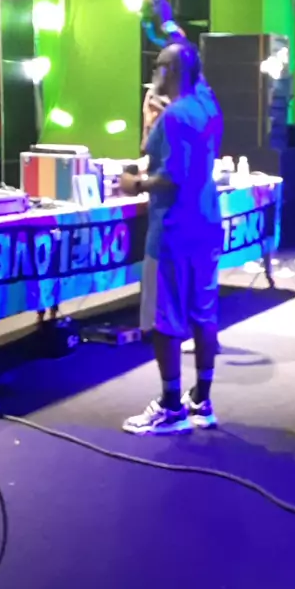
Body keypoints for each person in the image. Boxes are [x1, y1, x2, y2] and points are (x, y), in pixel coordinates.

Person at [120, 40, 224, 435]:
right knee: (204, 314)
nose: (153, 76)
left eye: (158, 67)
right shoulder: (207, 105)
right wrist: (165, 19)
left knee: (165, 319)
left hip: (173, 230)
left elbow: (171, 175)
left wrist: (136, 184)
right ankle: (202, 400)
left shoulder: (175, 116)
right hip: (206, 224)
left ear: (171, 71)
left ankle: (170, 406)